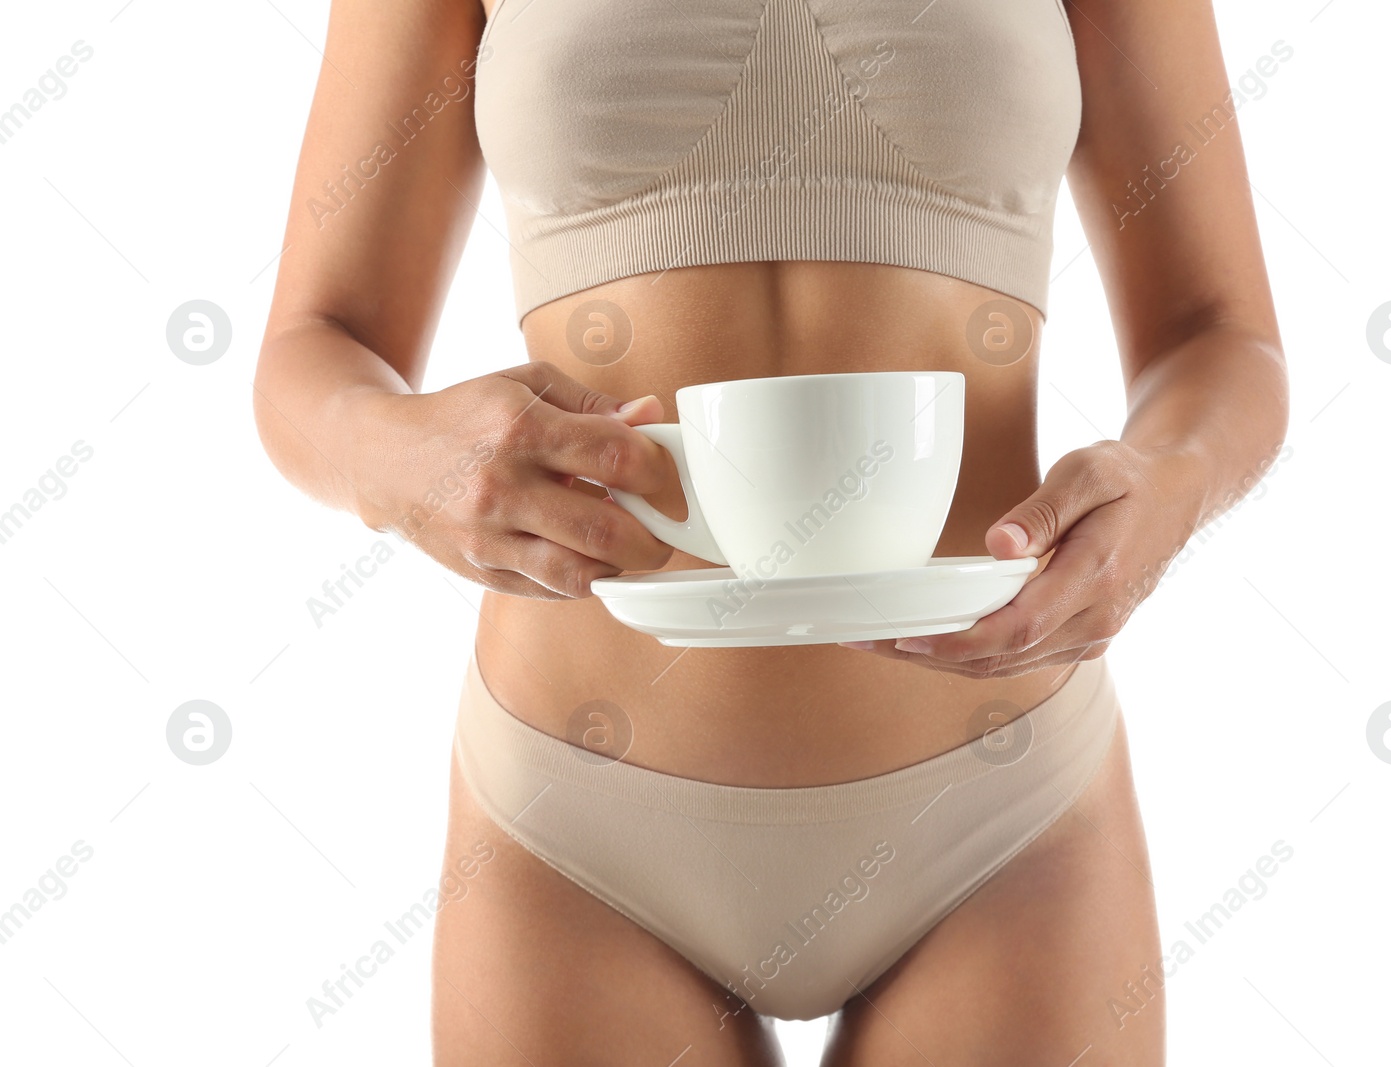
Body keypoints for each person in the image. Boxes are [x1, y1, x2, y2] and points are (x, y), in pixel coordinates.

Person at [253, 0, 1289, 1062]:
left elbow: (1218, 332)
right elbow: (311, 345)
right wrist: (402, 459)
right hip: (577, 825)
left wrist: (1170, 485)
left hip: (1001, 817)